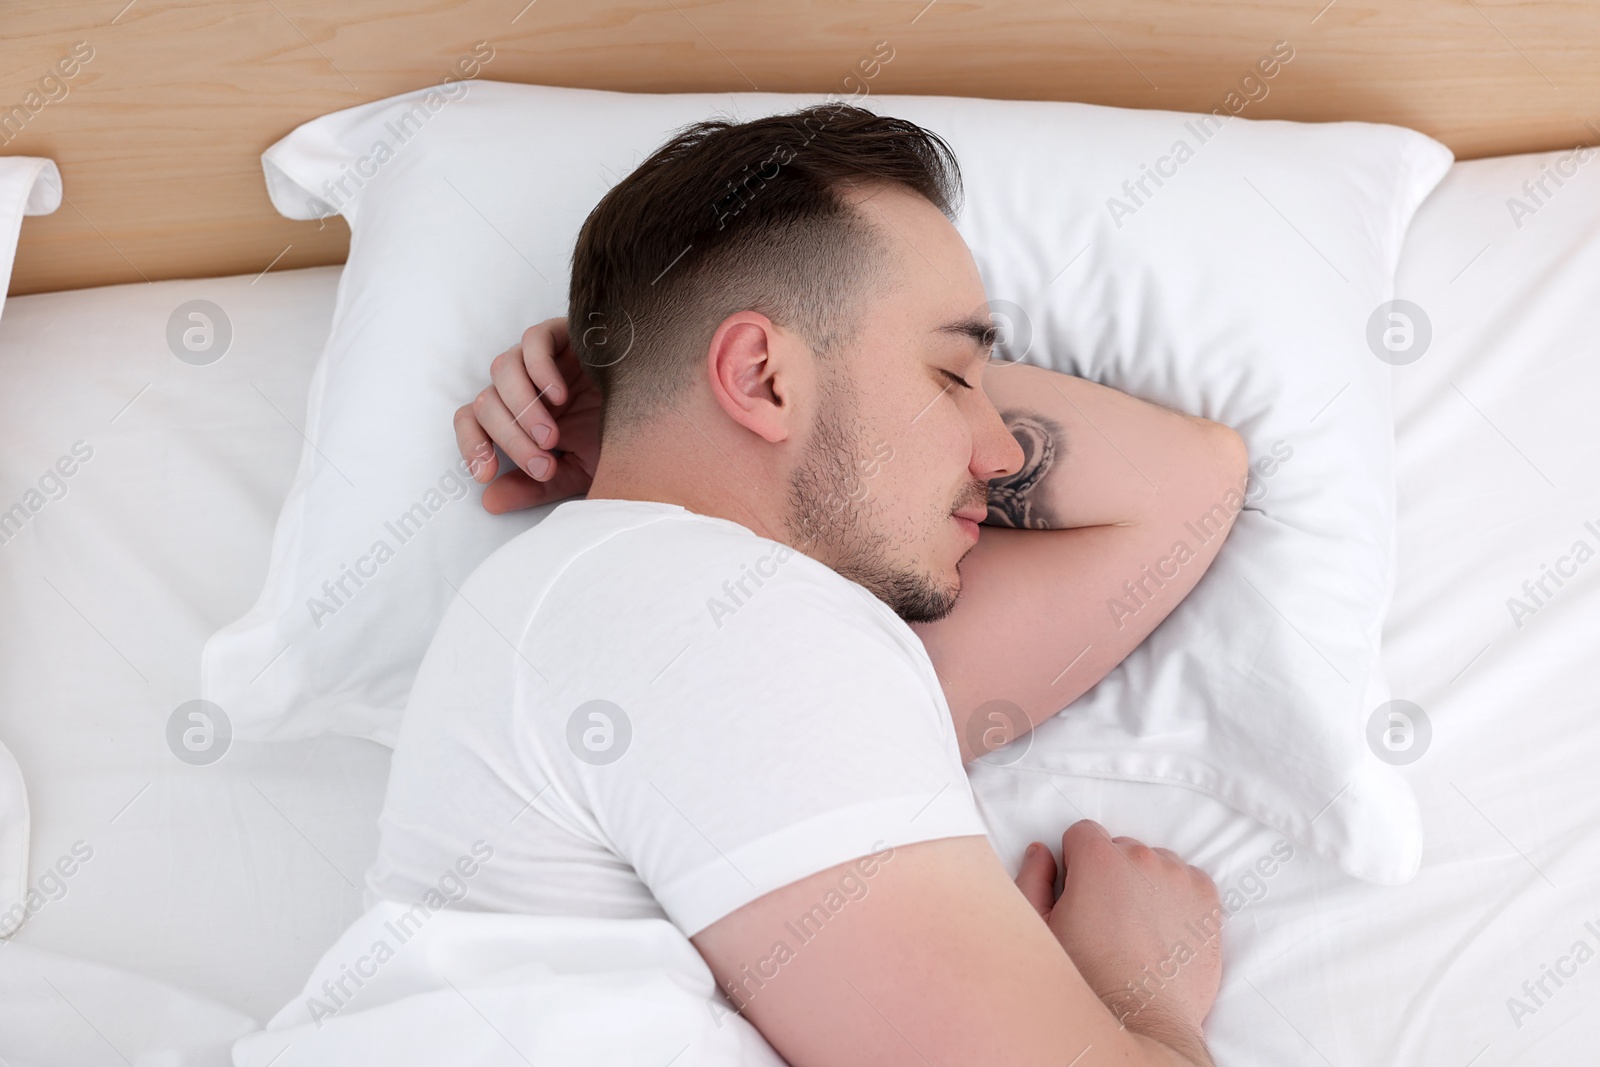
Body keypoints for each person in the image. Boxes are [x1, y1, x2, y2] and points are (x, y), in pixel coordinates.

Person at [371, 102, 1248, 1066]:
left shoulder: (694, 620)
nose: (1001, 451)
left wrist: (640, 385)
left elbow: (1186, 486)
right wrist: (1141, 994)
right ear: (762, 377)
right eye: (954, 374)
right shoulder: (702, 619)